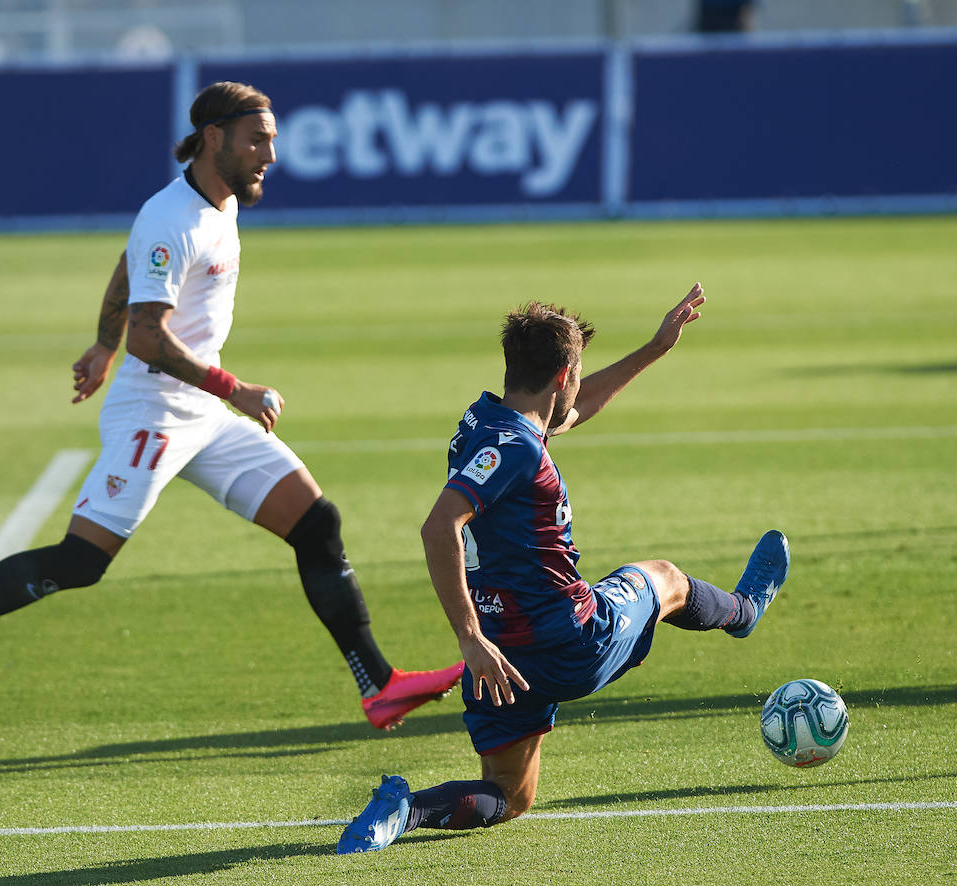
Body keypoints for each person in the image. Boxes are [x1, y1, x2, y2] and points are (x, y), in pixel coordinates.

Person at [0, 81, 464, 729]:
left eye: (272, 139)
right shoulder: (172, 217)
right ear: (214, 139)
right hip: (153, 413)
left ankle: (378, 685)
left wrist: (101, 345)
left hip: (200, 413)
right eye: (256, 140)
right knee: (81, 562)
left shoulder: (216, 200)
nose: (270, 153)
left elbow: (131, 271)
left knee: (315, 522)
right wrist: (231, 387)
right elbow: (150, 336)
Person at [336, 286, 791, 853]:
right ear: (562, 374)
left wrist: (653, 349)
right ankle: (743, 612)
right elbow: (438, 527)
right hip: (570, 639)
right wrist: (468, 637)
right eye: (577, 374)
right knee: (665, 577)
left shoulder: (486, 421)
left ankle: (406, 810)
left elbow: (571, 413)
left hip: (505, 658)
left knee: (508, 795)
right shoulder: (520, 450)